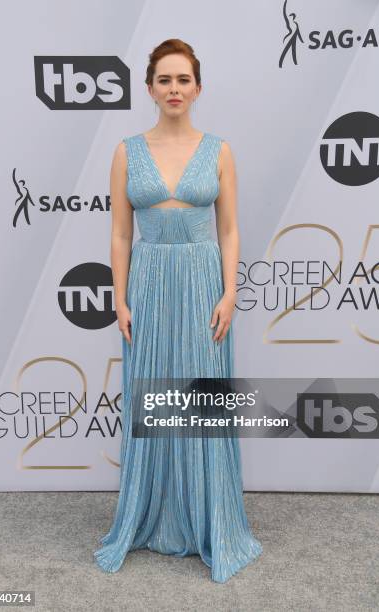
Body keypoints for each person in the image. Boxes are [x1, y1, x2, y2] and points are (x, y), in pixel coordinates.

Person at [94, 38, 262, 583]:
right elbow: (120, 233)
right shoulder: (126, 150)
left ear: (197, 87)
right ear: (149, 88)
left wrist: (230, 292)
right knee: (152, 397)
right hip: (147, 283)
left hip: (200, 282)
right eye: (164, 80)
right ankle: (154, 514)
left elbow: (230, 228)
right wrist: (119, 298)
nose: (174, 89)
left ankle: (207, 517)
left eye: (183, 80)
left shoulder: (219, 151)